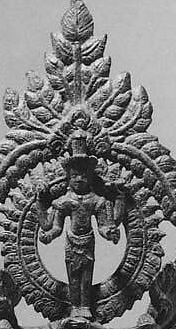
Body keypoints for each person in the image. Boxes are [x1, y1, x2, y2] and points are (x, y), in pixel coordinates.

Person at [36, 130, 123, 317]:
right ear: (68, 176)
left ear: (90, 177)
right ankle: (75, 306)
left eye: (83, 175)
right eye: (75, 175)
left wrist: (109, 233)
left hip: (88, 241)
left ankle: (85, 307)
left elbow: (103, 226)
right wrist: (48, 234)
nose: (79, 179)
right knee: (73, 276)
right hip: (71, 241)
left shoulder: (97, 201)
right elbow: (55, 227)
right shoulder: (64, 201)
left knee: (86, 276)